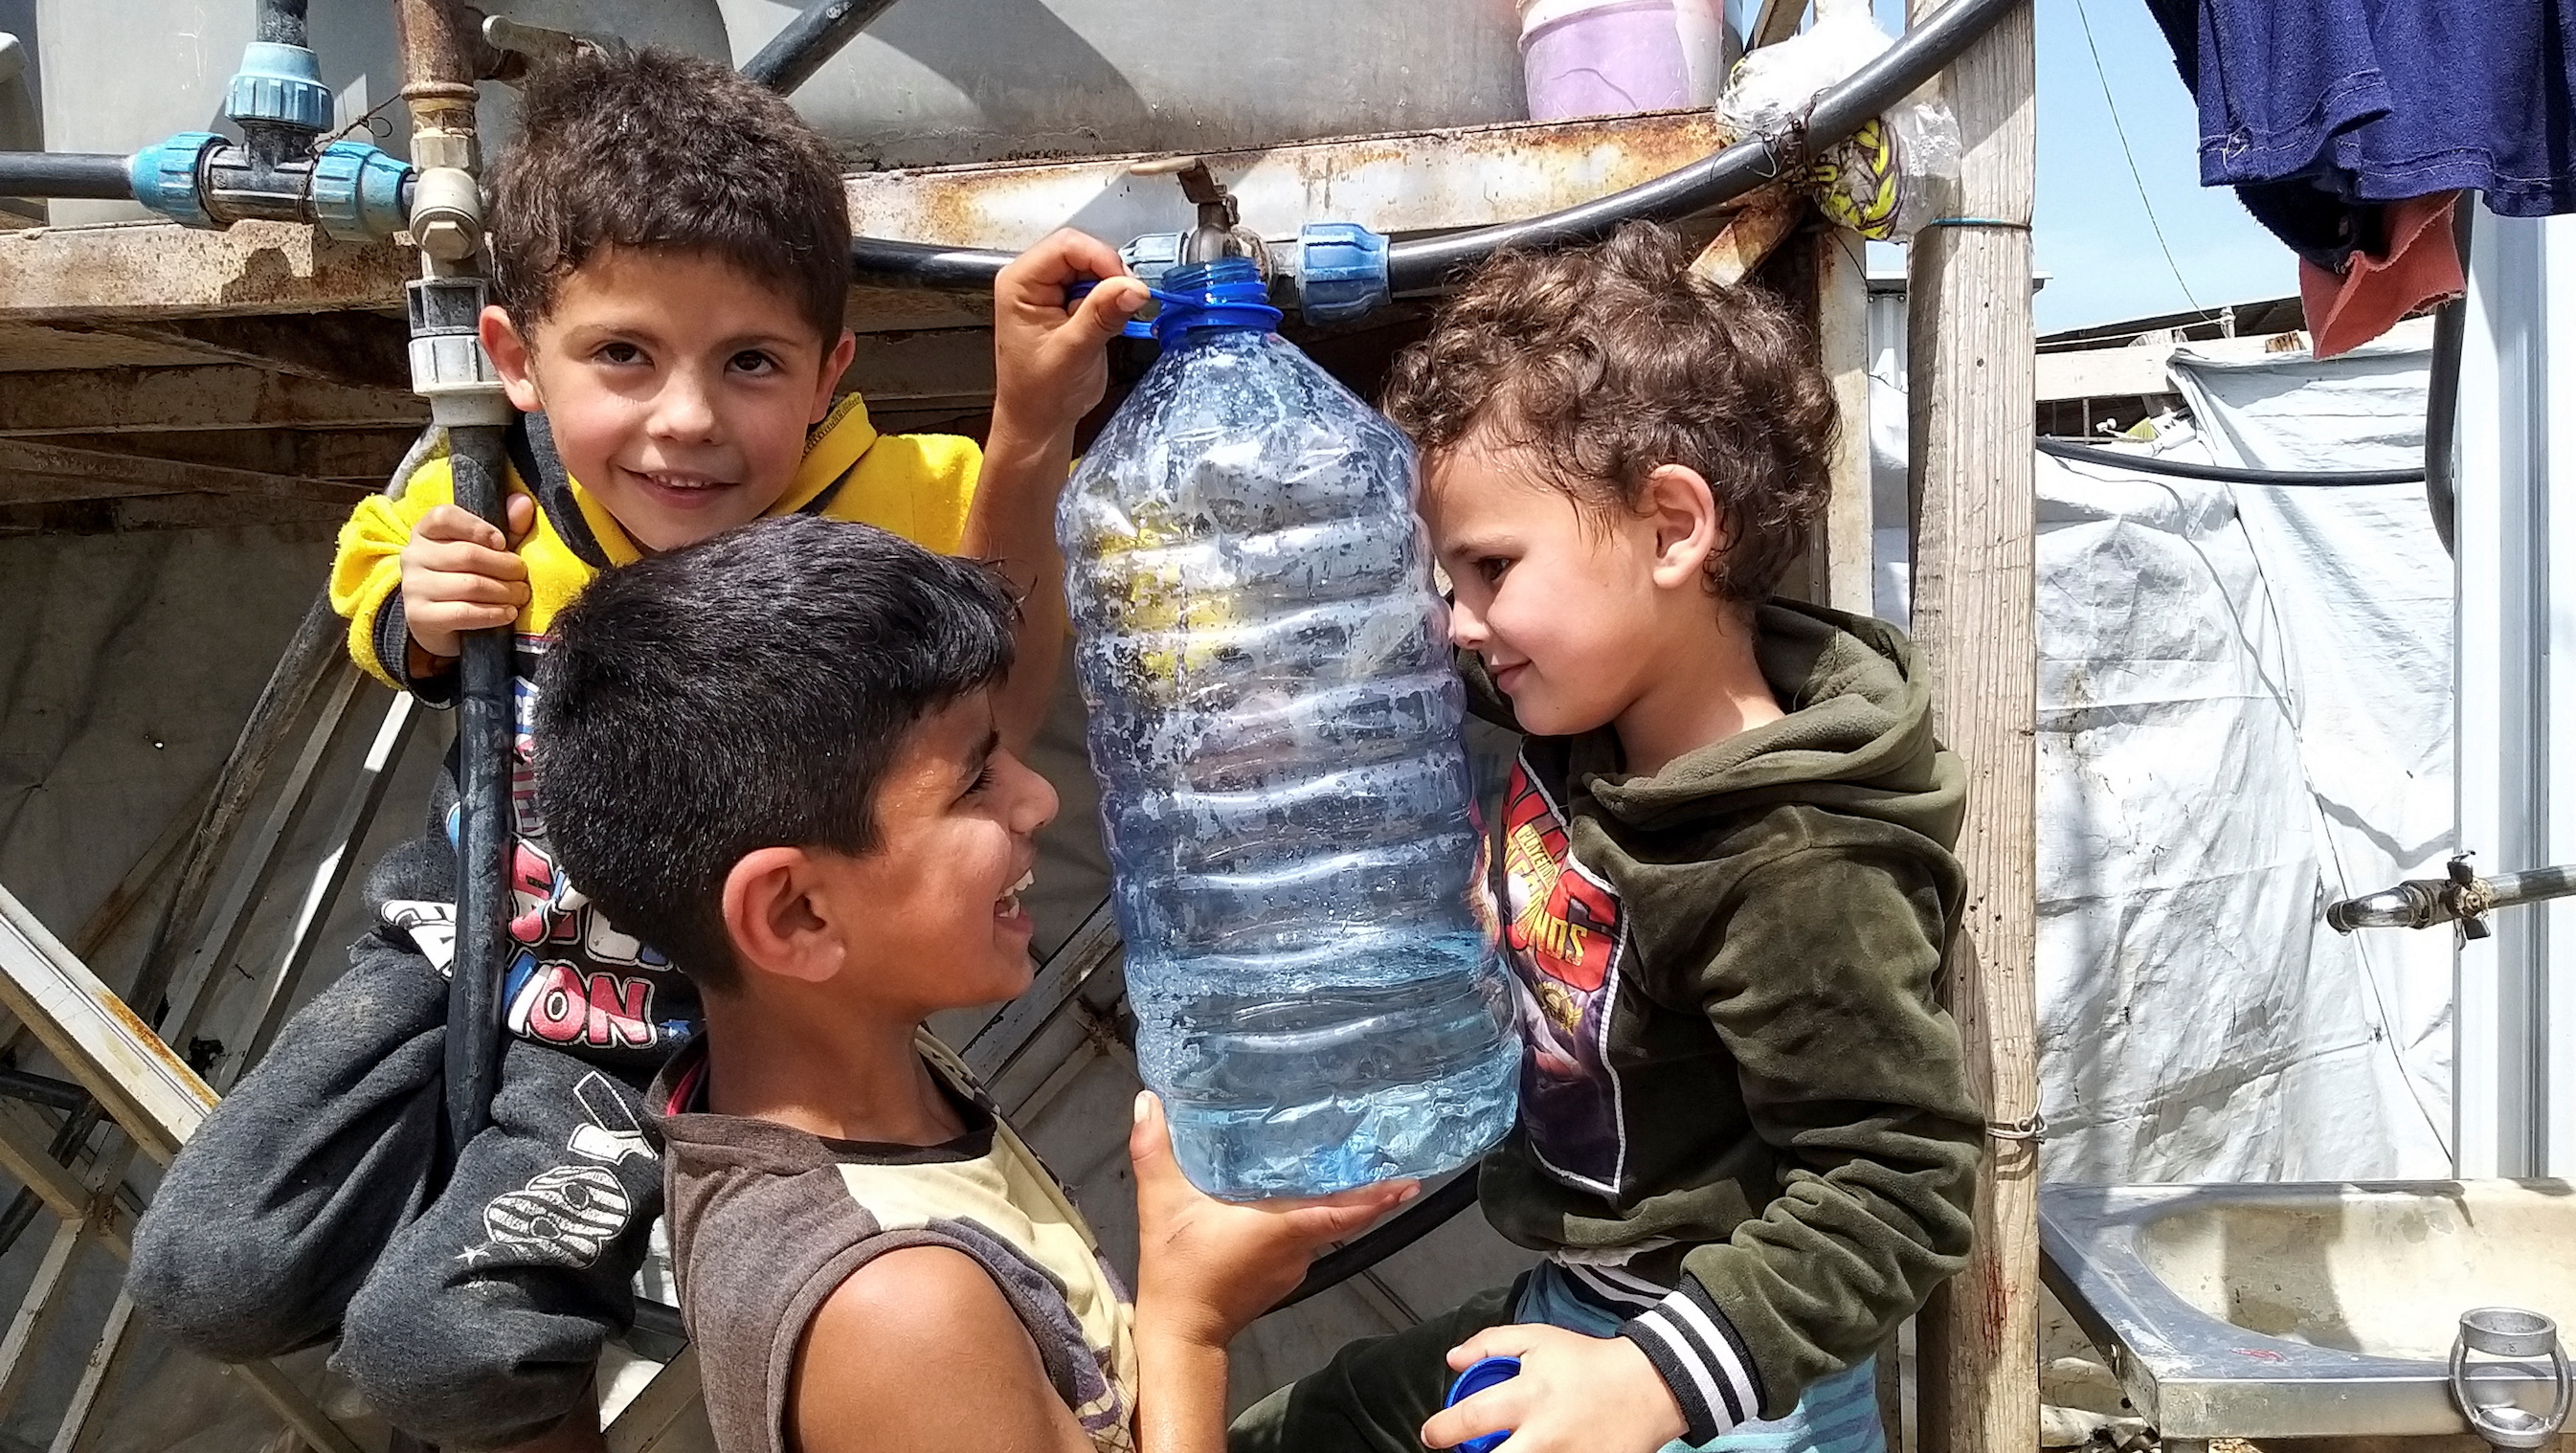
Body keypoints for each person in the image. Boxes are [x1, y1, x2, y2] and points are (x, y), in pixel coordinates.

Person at [124, 46, 1151, 1452]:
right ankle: (452, 1224)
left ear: (828, 369)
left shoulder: (890, 505)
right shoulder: (484, 490)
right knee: (207, 1268)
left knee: (443, 1351)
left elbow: (1001, 692)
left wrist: (1030, 433)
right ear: (513, 361)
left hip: (636, 1017)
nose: (686, 420)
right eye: (623, 354)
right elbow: (371, 569)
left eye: (749, 363)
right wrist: (420, 614)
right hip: (448, 946)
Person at [1230, 222, 1984, 1453]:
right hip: (1585, 1303)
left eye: (1487, 568)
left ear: (1672, 529)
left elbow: (1895, 1187)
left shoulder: (1794, 862)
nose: (1459, 625)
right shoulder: (1594, 714)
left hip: (1710, 1383)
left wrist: (1649, 1385)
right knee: (1300, 1429)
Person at [533, 515, 1410, 1453]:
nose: (1038, 800)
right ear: (797, 916)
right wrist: (1190, 1320)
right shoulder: (896, 1309)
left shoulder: (866, 1064)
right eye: (974, 783)